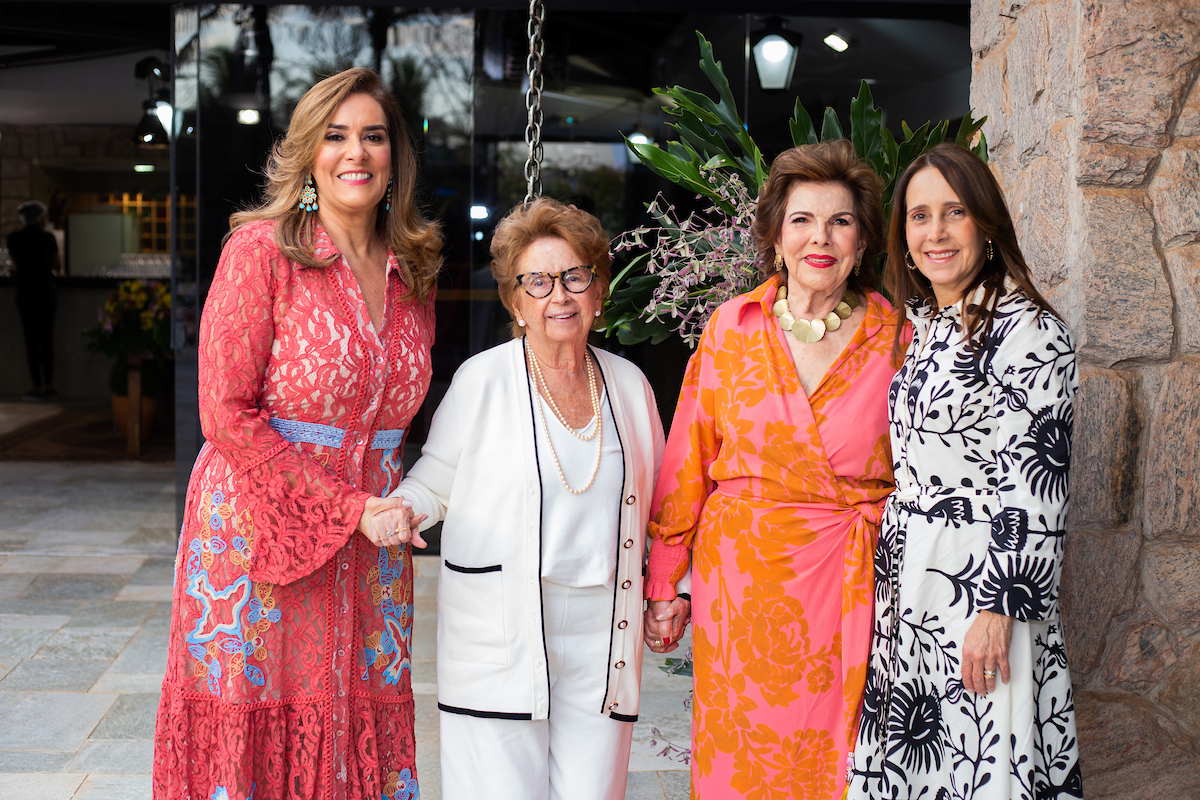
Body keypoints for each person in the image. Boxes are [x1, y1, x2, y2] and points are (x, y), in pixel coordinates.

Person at [153, 68, 441, 800]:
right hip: (260, 534)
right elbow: (224, 411)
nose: (356, 153)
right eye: (336, 136)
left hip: (371, 550)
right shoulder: (260, 253)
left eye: (373, 136)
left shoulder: (415, 271)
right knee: (259, 727)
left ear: (395, 156)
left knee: (356, 719)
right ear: (309, 154)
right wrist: (347, 510)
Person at [372, 197, 664, 800]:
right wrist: (403, 508)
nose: (559, 295)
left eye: (575, 276)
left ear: (599, 291)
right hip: (499, 636)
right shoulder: (483, 379)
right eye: (538, 281)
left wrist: (671, 592)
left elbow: (662, 509)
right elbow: (434, 477)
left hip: (603, 640)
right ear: (515, 302)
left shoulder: (630, 386)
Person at [643, 139, 906, 799]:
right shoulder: (733, 327)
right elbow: (688, 461)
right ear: (775, 234)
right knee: (742, 762)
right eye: (802, 220)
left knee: (845, 761)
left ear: (864, 239)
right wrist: (663, 581)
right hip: (742, 589)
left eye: (840, 221)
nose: (821, 238)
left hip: (853, 584)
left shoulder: (899, 337)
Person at [848, 142, 1082, 799]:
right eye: (918, 217)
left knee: (984, 761)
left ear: (986, 222)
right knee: (924, 771)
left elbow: (1038, 487)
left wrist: (998, 610)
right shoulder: (926, 326)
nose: (935, 232)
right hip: (913, 585)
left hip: (981, 585)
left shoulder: (1029, 332)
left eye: (953, 212)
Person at [7, 200, 61, 400]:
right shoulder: (48, 238)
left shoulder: (14, 238)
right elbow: (58, 266)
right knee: (46, 339)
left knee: (30, 340)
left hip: (25, 292)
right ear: (40, 218)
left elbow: (14, 262)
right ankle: (49, 383)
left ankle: (36, 386)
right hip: (46, 291)